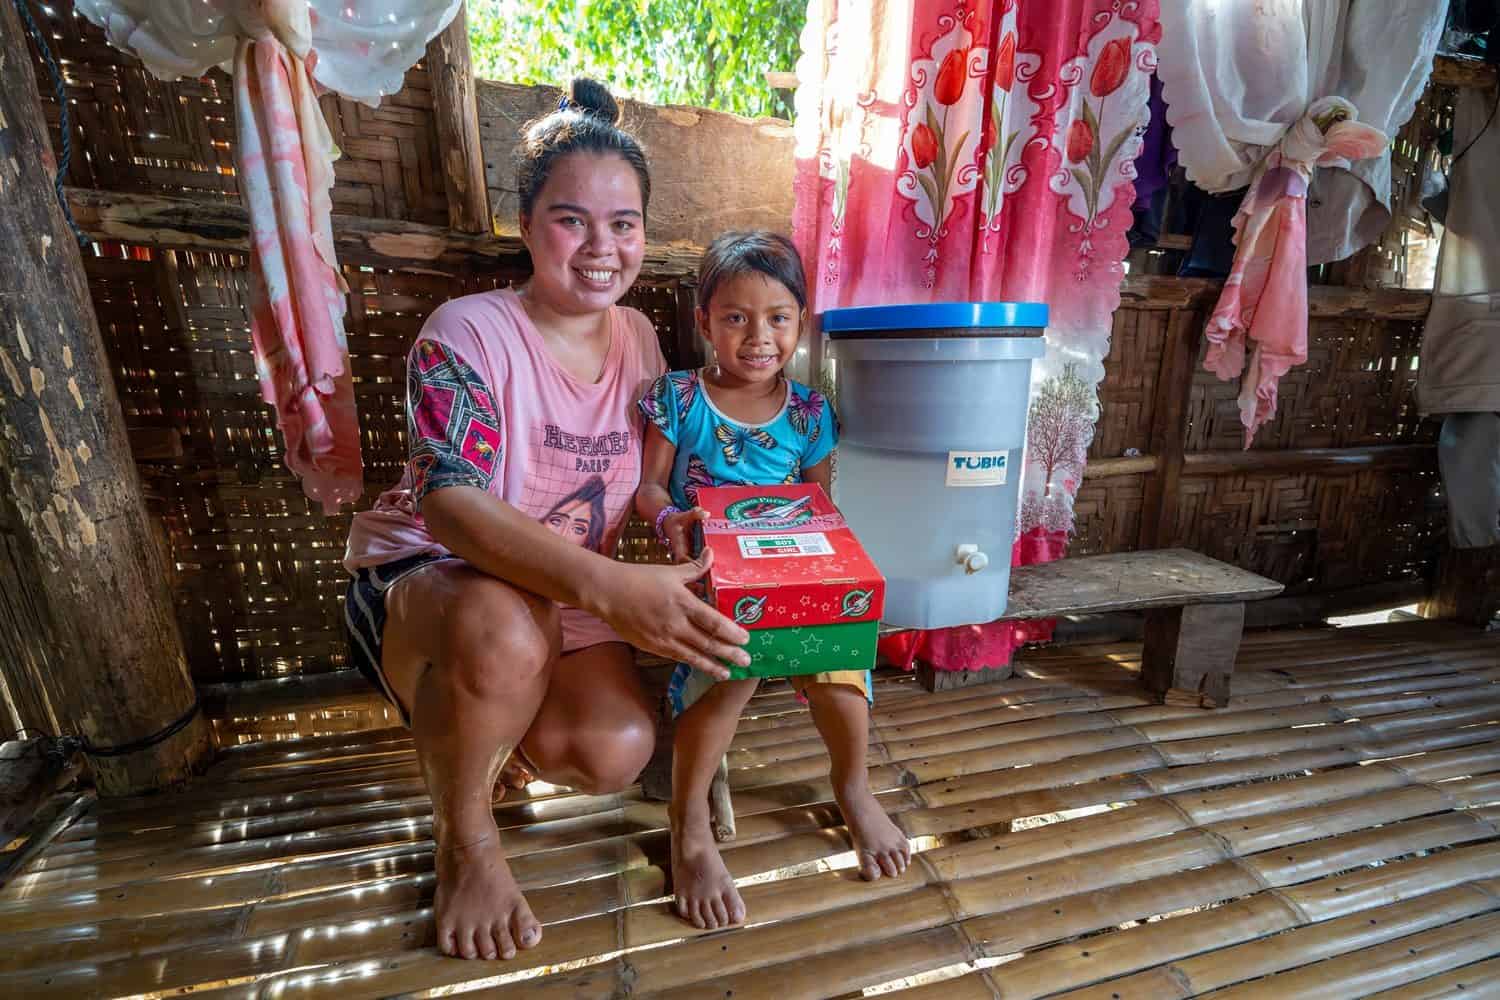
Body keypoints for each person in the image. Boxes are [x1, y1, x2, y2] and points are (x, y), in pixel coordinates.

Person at [342, 78, 751, 962]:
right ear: (526, 225)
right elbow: (450, 504)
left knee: (616, 746)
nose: (602, 248)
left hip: (561, 595)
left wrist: (675, 516)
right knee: (504, 628)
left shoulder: (641, 337)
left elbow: (650, 477)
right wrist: (606, 584)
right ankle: (466, 840)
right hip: (432, 587)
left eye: (625, 224)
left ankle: (486, 731)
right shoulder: (467, 332)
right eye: (572, 221)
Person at [635, 231, 912, 932]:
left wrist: (831, 567)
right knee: (731, 667)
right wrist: (670, 516)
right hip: (704, 574)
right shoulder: (679, 398)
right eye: (735, 317)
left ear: (801, 323)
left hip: (791, 574)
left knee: (841, 668)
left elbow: (821, 505)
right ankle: (688, 821)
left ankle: (853, 789)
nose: (758, 337)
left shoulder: (810, 413)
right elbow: (645, 487)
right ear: (704, 323)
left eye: (779, 317)